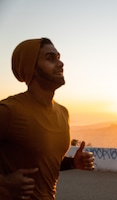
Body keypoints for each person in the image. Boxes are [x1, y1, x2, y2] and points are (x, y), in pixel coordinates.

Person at [0, 38, 95, 200]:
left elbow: (44, 161)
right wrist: (3, 185)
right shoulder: (9, 111)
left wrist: (73, 163)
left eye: (58, 57)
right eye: (50, 58)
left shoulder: (63, 112)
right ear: (31, 68)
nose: (60, 63)